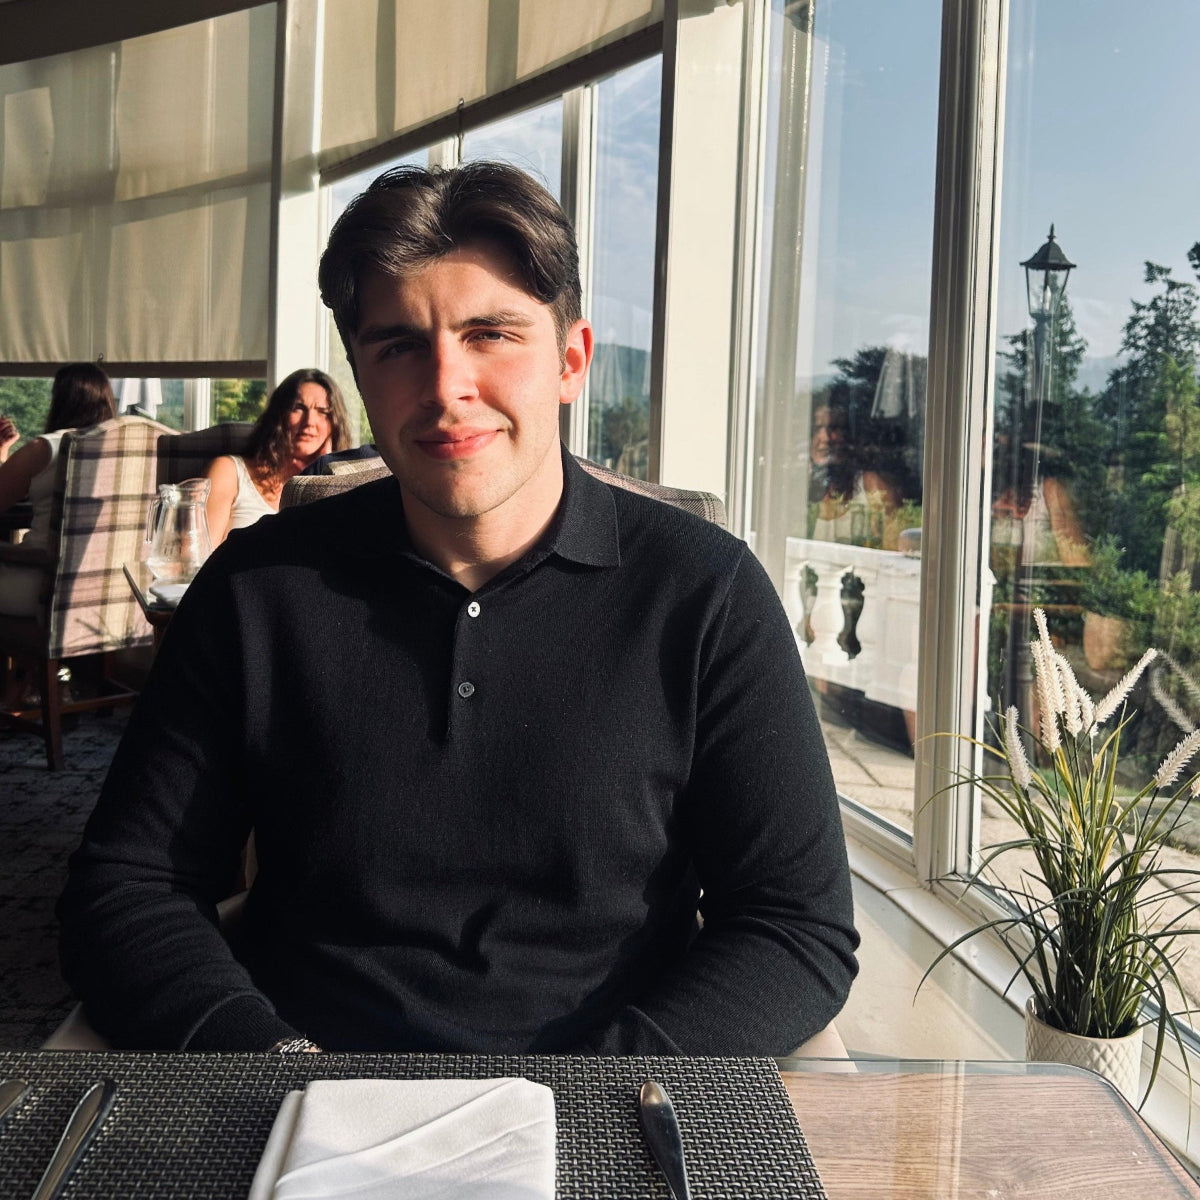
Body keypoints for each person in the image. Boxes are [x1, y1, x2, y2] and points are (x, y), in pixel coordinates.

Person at [58, 161, 858, 1056]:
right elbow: (127, 887)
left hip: (610, 1098)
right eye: (400, 345)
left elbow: (795, 925)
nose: (446, 388)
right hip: (303, 1091)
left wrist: (597, 1099)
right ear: (362, 376)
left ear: (571, 360)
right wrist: (273, 1074)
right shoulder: (256, 591)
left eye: (491, 335)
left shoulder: (705, 594)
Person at [0, 363, 117, 618]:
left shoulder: (46, 448)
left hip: (39, 588)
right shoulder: (122, 453)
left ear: (60, 401)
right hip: (105, 596)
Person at [203, 368, 352, 544]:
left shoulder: (342, 488)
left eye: (323, 412)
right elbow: (198, 554)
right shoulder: (229, 472)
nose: (309, 422)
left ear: (335, 425)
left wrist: (325, 473)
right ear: (278, 415)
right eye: (298, 408)